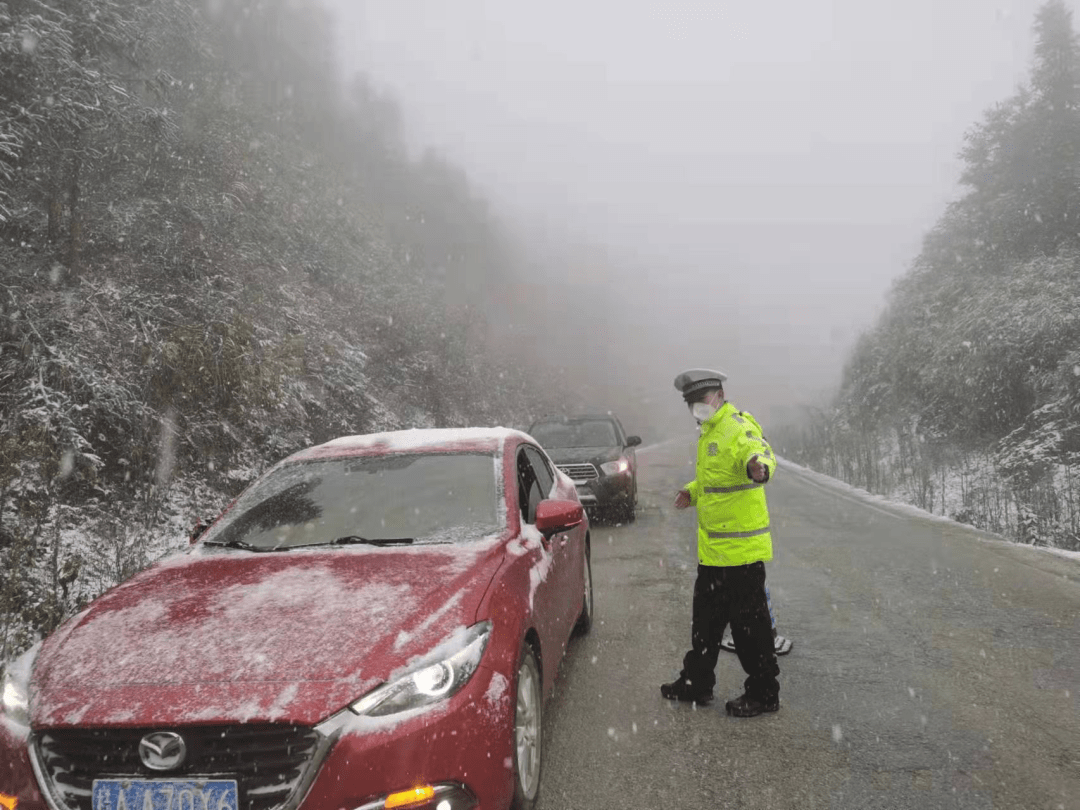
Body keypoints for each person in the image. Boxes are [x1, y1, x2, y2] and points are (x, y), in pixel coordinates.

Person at [660, 368, 781, 717]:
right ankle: (696, 683)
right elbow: (716, 480)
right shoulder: (709, 431)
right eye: (691, 403)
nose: (697, 407)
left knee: (750, 632)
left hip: (741, 555)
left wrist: (759, 468)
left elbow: (756, 453)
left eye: (700, 399)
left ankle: (764, 692)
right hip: (714, 554)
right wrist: (693, 492)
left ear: (718, 394)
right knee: (705, 627)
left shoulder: (736, 425)